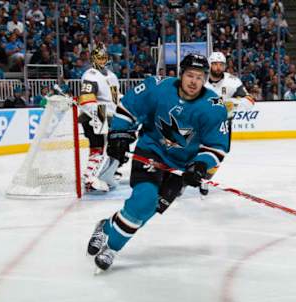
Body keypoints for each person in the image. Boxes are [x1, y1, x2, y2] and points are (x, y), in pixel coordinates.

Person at [87, 54, 230, 271]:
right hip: (151, 152)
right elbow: (128, 108)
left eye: (200, 77)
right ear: (181, 74)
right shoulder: (158, 87)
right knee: (144, 199)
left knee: (147, 210)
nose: (194, 81)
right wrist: (119, 133)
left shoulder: (214, 106)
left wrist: (200, 165)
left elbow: (216, 146)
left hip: (180, 167)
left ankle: (106, 226)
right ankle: (112, 249)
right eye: (190, 75)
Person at [203, 51, 254, 194]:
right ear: (209, 65)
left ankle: (205, 180)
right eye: (215, 64)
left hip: (223, 126)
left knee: (218, 156)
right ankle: (182, 181)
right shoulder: (200, 80)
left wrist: (233, 103)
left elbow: (250, 101)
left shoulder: (233, 81)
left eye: (221, 64)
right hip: (201, 123)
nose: (218, 67)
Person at [77, 43, 121, 193]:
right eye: (99, 58)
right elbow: (87, 100)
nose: (102, 61)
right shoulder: (90, 75)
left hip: (108, 114)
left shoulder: (112, 76)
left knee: (111, 147)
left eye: (104, 58)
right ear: (93, 59)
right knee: (98, 148)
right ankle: (89, 178)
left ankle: (104, 173)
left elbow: (115, 99)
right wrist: (98, 115)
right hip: (96, 113)